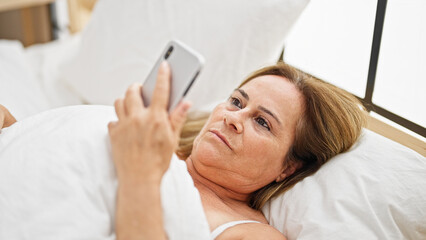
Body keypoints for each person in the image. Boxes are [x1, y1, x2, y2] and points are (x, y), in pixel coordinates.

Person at [1, 62, 366, 239]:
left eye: (263, 122)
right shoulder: (155, 148)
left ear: (288, 167)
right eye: (237, 101)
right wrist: (19, 133)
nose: (234, 118)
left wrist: (140, 174)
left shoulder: (250, 234)